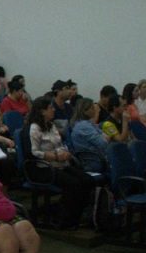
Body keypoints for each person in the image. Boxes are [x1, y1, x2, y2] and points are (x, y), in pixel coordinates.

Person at [27, 96, 95, 229]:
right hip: (45, 167)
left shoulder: (51, 125)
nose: (53, 110)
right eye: (50, 108)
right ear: (42, 111)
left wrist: (66, 152)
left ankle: (78, 215)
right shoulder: (34, 128)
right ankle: (65, 219)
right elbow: (34, 152)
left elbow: (60, 143)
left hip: (61, 163)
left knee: (87, 180)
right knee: (73, 184)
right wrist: (53, 156)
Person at [69, 98, 109, 173]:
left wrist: (104, 137)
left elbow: (104, 138)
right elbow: (103, 144)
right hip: (94, 160)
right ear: (85, 111)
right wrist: (104, 137)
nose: (94, 110)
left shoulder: (87, 123)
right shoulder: (84, 126)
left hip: (99, 157)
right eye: (92, 108)